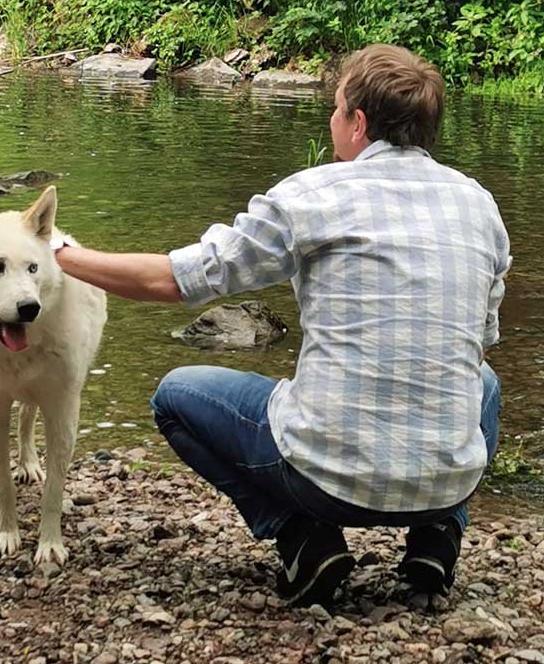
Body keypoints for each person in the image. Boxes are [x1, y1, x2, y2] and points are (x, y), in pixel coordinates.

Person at [54, 43, 511, 606]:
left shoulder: (311, 196)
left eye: (337, 107)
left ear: (358, 122)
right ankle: (436, 540)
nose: (331, 117)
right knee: (481, 383)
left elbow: (174, 280)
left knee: (176, 395)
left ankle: (304, 539)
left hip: (325, 483)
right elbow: (479, 344)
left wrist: (62, 257)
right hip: (448, 484)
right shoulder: (480, 205)